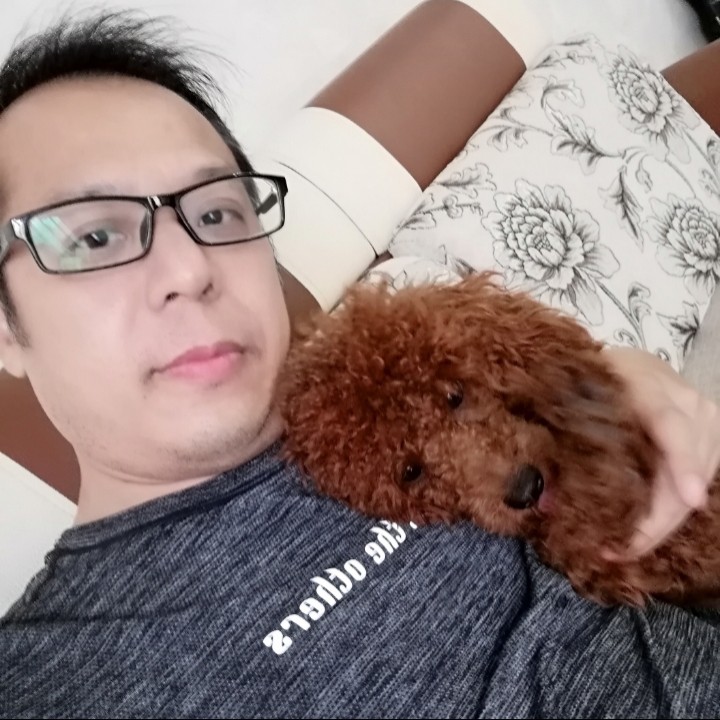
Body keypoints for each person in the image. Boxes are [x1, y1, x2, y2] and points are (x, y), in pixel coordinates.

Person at [0, 11, 719, 719]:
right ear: (6, 328)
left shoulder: (387, 376)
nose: (189, 269)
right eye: (94, 236)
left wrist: (606, 380)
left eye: (216, 214)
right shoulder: (43, 685)